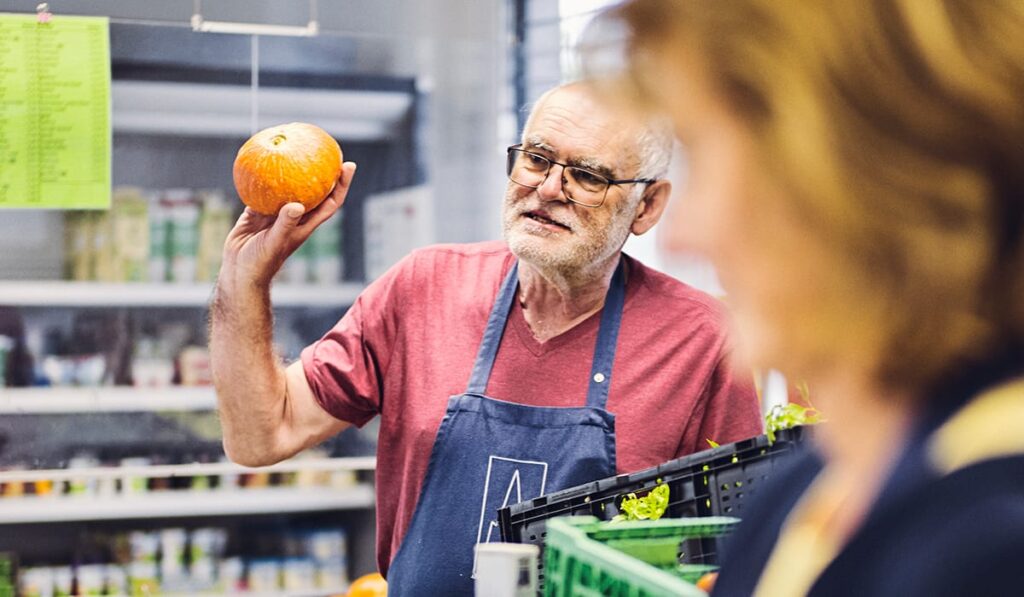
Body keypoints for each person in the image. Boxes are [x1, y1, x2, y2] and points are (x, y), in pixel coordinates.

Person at [209, 82, 763, 595]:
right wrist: (245, 279)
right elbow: (262, 435)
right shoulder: (423, 287)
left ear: (648, 206)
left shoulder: (703, 340)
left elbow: (732, 557)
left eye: (588, 177)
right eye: (537, 159)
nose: (549, 189)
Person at [599, 0, 1024, 595]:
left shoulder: (991, 548)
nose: (683, 233)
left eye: (703, 150)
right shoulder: (807, 495)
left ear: (848, 171)